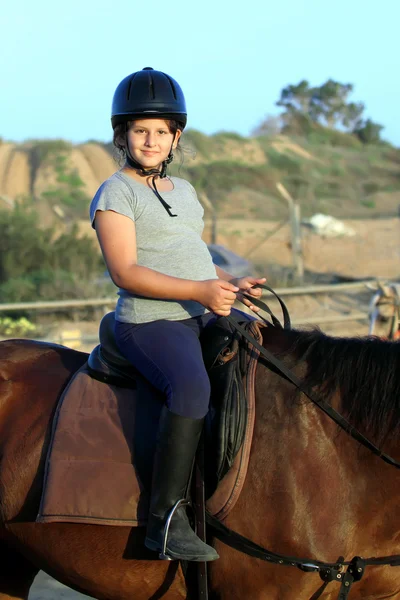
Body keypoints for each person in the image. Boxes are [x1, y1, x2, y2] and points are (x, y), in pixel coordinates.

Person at [90, 67, 266, 562]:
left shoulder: (184, 191)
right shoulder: (116, 193)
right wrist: (200, 291)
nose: (151, 140)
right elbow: (125, 271)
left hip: (199, 310)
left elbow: (191, 255)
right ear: (122, 135)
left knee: (262, 350)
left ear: (176, 137)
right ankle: (165, 521)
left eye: (161, 131)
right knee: (191, 388)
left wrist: (227, 286)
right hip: (149, 322)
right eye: (140, 130)